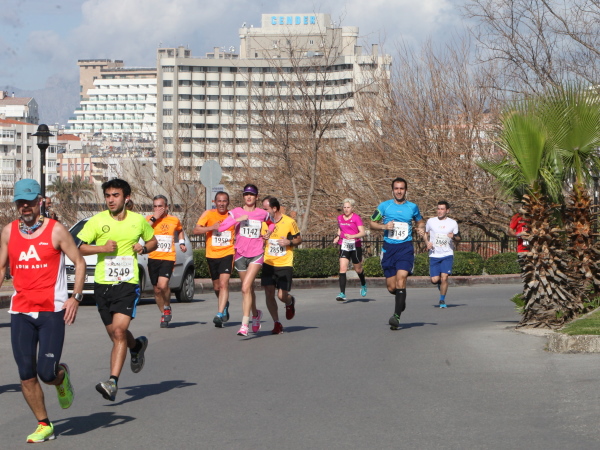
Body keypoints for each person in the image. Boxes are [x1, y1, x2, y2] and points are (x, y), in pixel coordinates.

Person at [0, 179, 86, 443]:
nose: (25, 207)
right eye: (20, 203)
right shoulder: (8, 231)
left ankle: (61, 377)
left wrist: (75, 297)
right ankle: (44, 424)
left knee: (46, 373)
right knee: (26, 374)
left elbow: (79, 262)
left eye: (29, 202)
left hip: (51, 311)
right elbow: (1, 267)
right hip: (21, 311)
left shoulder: (56, 230)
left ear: (40, 201)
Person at [77, 178, 157, 401]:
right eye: (108, 196)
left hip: (127, 283)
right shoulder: (97, 221)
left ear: (126, 198)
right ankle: (137, 345)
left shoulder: (137, 221)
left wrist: (143, 247)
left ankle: (112, 382)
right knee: (115, 334)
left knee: (120, 332)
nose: (111, 200)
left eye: (115, 195)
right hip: (102, 284)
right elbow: (79, 247)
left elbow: (153, 242)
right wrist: (102, 248)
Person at [218, 184, 274, 337]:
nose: (249, 197)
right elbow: (222, 227)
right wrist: (238, 219)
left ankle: (244, 325)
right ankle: (256, 314)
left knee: (245, 288)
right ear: (243, 196)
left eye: (252, 194)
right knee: (248, 289)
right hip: (241, 254)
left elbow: (272, 223)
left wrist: (269, 232)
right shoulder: (236, 212)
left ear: (256, 197)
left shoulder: (262, 213)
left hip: (257, 253)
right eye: (246, 194)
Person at [370, 177, 425, 330]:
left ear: (405, 190)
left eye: (401, 188)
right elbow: (372, 223)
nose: (399, 191)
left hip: (405, 248)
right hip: (389, 249)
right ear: (392, 190)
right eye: (396, 188)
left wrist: (421, 227)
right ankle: (401, 299)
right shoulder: (384, 206)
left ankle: (396, 316)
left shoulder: (412, 207)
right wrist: (384, 226)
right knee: (391, 287)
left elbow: (420, 221)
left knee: (401, 278)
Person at [193, 191, 235, 328]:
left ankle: (219, 313)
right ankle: (224, 304)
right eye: (219, 201)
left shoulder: (232, 216)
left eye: (224, 201)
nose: (222, 203)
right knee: (217, 287)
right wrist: (212, 227)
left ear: (228, 202)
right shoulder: (208, 214)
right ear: (215, 202)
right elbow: (196, 230)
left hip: (227, 253)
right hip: (212, 255)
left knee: (223, 284)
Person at [261, 197, 301, 334]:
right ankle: (276, 323)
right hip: (268, 262)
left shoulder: (289, 222)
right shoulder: (264, 223)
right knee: (269, 293)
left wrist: (289, 242)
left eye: (266, 209)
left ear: (274, 208)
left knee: (281, 296)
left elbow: (299, 239)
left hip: (284, 263)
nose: (264, 211)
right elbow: (261, 241)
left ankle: (289, 302)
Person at [146, 195, 187, 328]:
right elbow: (143, 229)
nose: (158, 209)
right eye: (155, 206)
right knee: (157, 290)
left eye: (160, 206)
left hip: (168, 257)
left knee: (163, 285)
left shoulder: (174, 220)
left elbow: (180, 230)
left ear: (166, 207)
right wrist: (154, 218)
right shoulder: (149, 219)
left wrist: (182, 242)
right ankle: (163, 313)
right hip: (153, 257)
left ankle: (167, 306)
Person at [424, 201, 460, 308]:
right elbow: (425, 233)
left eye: (442, 209)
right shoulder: (431, 221)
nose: (439, 211)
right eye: (438, 209)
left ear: (447, 211)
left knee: (444, 278)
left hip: (447, 254)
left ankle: (442, 300)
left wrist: (453, 236)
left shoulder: (452, 223)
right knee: (434, 280)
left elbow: (459, 238)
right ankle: (440, 284)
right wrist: (427, 243)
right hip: (434, 254)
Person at [333, 198, 367, 301]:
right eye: (344, 207)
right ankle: (342, 293)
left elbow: (363, 232)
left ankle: (363, 283)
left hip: (355, 245)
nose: (346, 209)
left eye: (348, 207)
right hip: (344, 245)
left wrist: (353, 236)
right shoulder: (340, 218)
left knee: (358, 269)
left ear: (352, 208)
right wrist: (337, 237)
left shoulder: (356, 218)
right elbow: (340, 229)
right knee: (342, 268)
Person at [508, 202, 529, 266]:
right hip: (522, 249)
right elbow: (510, 231)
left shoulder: (536, 216)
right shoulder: (517, 216)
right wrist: (518, 234)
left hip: (535, 249)